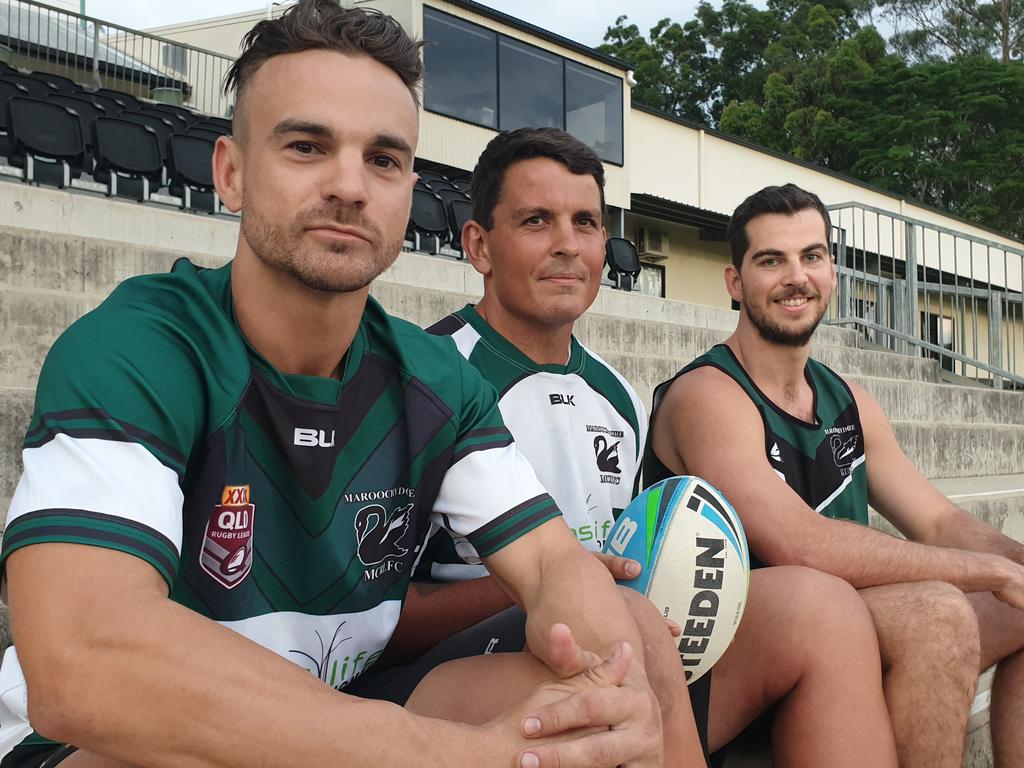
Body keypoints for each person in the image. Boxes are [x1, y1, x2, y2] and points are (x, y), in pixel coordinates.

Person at [0, 3, 668, 766]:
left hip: (346, 715)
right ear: (231, 172)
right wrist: (437, 753)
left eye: (383, 159)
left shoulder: (432, 377)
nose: (350, 186)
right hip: (95, 745)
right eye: (307, 146)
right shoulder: (139, 349)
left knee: (604, 689)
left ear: (410, 188)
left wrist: (609, 679)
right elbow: (85, 660)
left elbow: (552, 564)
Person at [387, 128, 897, 767]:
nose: (567, 245)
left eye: (587, 223)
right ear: (479, 246)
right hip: (464, 671)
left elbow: (638, 560)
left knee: (824, 608)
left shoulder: (621, 397)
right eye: (537, 221)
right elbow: (379, 624)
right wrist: (554, 584)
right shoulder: (427, 377)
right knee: (622, 620)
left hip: (627, 649)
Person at [647, 182, 1024, 768]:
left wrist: (1013, 562)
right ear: (735, 282)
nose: (796, 276)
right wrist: (986, 571)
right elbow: (800, 544)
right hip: (745, 646)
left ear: (833, 272)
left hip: (853, 619)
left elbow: (937, 518)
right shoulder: (709, 396)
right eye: (771, 260)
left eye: (812, 256)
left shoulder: (847, 399)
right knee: (939, 615)